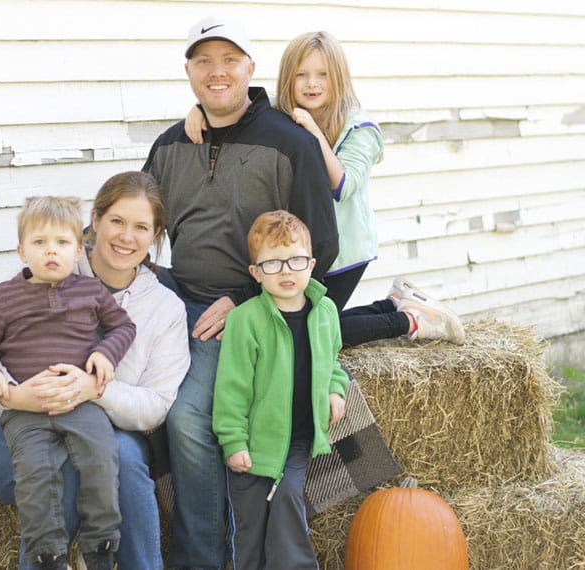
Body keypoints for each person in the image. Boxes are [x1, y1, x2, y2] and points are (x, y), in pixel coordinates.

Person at [143, 14, 339, 569]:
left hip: (243, 308)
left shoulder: (288, 143)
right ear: (188, 72)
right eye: (203, 60)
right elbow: (137, 224)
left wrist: (249, 302)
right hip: (174, 299)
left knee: (186, 418)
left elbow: (320, 246)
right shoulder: (168, 146)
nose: (217, 72)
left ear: (251, 68)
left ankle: (204, 560)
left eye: (230, 59)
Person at [0, 172, 189, 570]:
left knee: (118, 458)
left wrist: (92, 389)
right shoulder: (49, 262)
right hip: (4, 425)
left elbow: (154, 407)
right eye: (117, 221)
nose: (126, 237)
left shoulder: (164, 309)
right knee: (64, 472)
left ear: (155, 236)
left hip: (94, 426)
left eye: (141, 227)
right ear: (95, 220)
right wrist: (16, 394)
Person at [186, 30, 465, 348]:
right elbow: (237, 104)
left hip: (341, 250)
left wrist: (312, 132)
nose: (311, 84)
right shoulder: (279, 111)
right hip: (294, 248)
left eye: (323, 75)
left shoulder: (361, 129)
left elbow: (342, 185)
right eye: (301, 75)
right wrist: (200, 109)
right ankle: (390, 305)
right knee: (299, 325)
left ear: (339, 78)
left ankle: (409, 320)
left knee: (310, 336)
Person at [213, 210, 348, 569]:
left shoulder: (326, 312)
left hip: (300, 439)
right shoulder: (246, 319)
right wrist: (233, 441)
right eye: (272, 263)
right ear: (255, 273)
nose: (286, 271)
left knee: (288, 497)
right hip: (255, 444)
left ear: (312, 264)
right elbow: (232, 386)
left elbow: (333, 362)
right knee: (250, 531)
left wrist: (335, 389)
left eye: (295, 260)